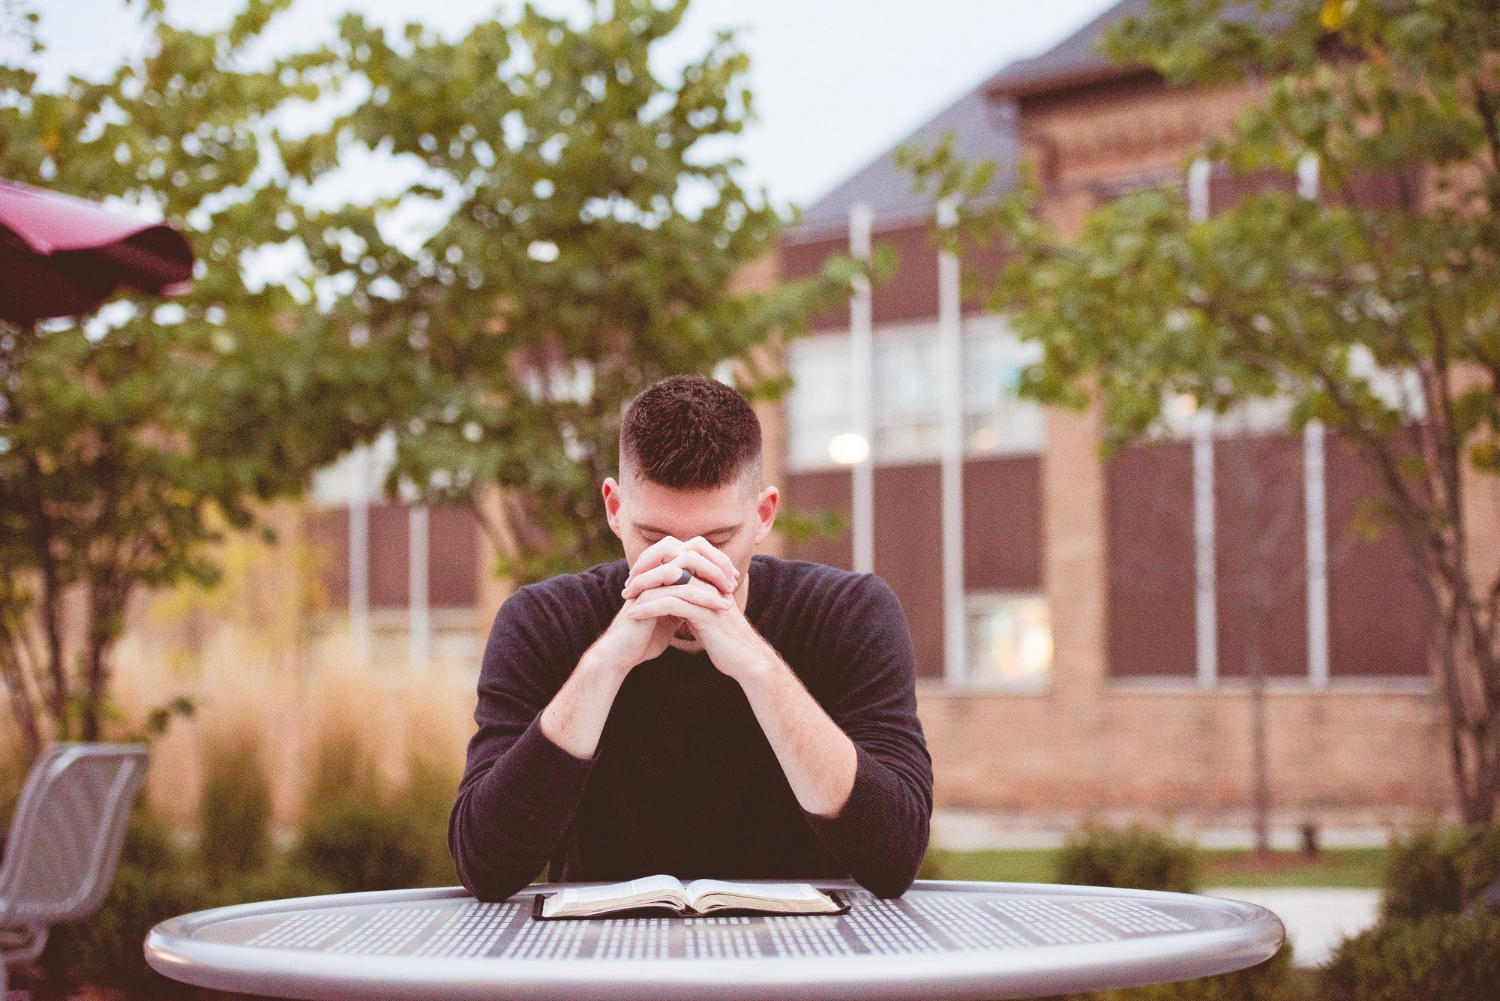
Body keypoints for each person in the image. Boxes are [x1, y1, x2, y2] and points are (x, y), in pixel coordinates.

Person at [449, 374, 933, 902]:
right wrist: (605, 664)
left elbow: (894, 857)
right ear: (614, 508)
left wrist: (755, 664)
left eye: (718, 541)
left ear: (763, 515)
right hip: (603, 965)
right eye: (654, 539)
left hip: (801, 964)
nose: (685, 569)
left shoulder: (848, 614)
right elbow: (485, 865)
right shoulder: (543, 621)